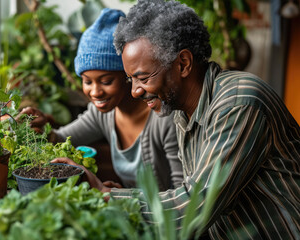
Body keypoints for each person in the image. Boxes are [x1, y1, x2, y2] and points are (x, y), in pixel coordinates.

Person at [55, 0, 300, 238]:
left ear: (182, 63)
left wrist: (103, 194)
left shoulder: (238, 103)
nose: (135, 91)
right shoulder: (182, 111)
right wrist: (120, 195)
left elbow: (195, 207)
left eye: (143, 77)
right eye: (132, 80)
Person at [20, 8, 183, 190]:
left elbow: (182, 198)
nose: (95, 92)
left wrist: (117, 195)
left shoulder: (165, 120)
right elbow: (61, 139)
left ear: (128, 76)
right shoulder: (103, 114)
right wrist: (41, 128)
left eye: (106, 81)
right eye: (87, 81)